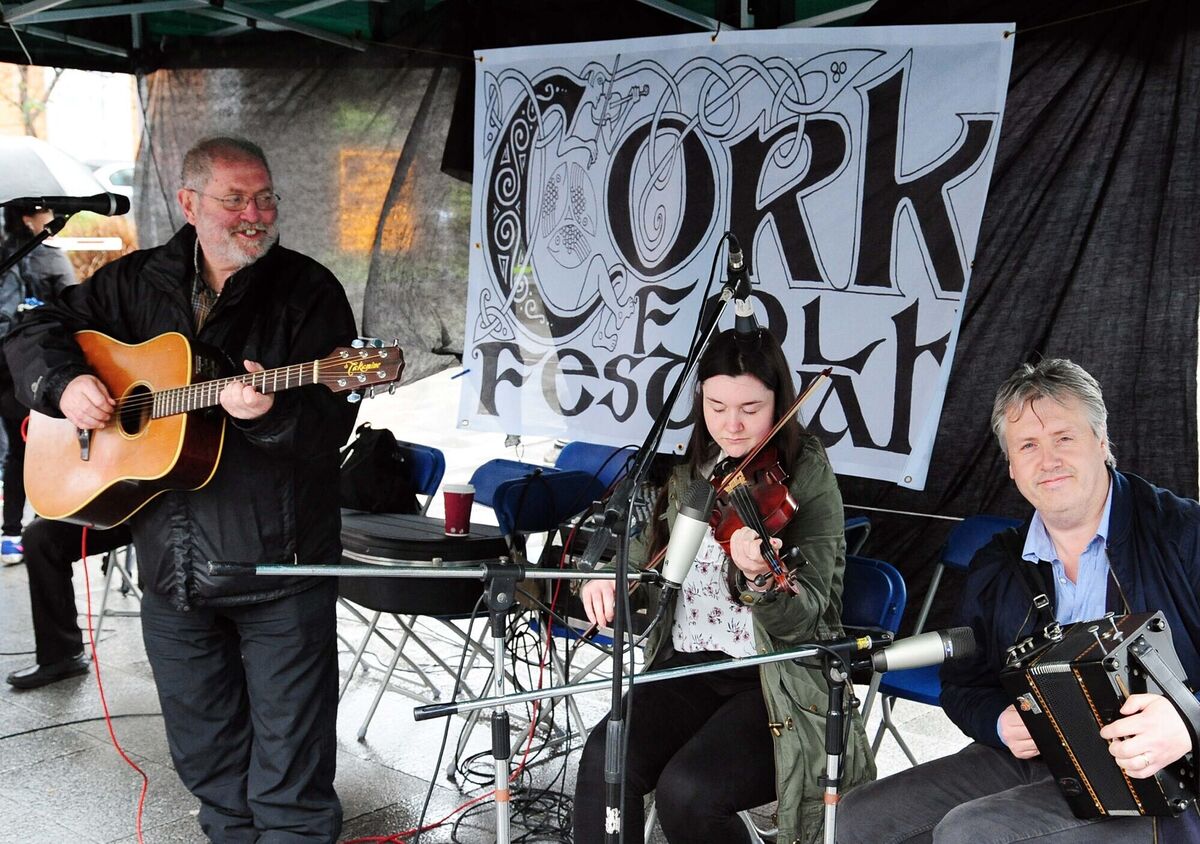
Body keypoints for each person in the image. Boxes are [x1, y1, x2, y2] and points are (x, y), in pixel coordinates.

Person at [4, 136, 357, 842]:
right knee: (211, 774)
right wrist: (67, 383)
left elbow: (328, 426)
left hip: (279, 572)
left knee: (292, 784)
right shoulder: (132, 284)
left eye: (264, 198)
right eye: (235, 199)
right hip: (171, 571)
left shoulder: (308, 292)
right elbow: (34, 328)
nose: (254, 214)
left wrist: (272, 412)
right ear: (189, 203)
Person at [836, 358, 1200, 844]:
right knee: (857, 819)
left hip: (1169, 778)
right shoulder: (1000, 563)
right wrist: (997, 720)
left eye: (1064, 438)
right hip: (1040, 757)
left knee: (972, 834)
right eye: (1028, 445)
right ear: (1011, 467)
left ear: (1102, 442)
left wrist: (1188, 721)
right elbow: (963, 683)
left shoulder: (1184, 535)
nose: (1048, 460)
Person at [572, 328, 875, 844]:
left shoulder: (806, 476)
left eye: (751, 409)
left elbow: (809, 615)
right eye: (716, 406)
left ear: (779, 401)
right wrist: (605, 577)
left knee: (688, 791)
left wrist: (762, 579)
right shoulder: (690, 472)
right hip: (690, 664)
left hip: (773, 679)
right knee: (605, 759)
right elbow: (642, 556)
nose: (731, 425)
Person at [0, 203, 77, 563]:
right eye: (45, 211)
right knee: (44, 446)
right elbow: (75, 309)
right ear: (30, 218)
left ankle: (11, 533)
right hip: (36, 369)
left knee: (18, 449)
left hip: (7, 368)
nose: (50, 218)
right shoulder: (47, 257)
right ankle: (42, 523)